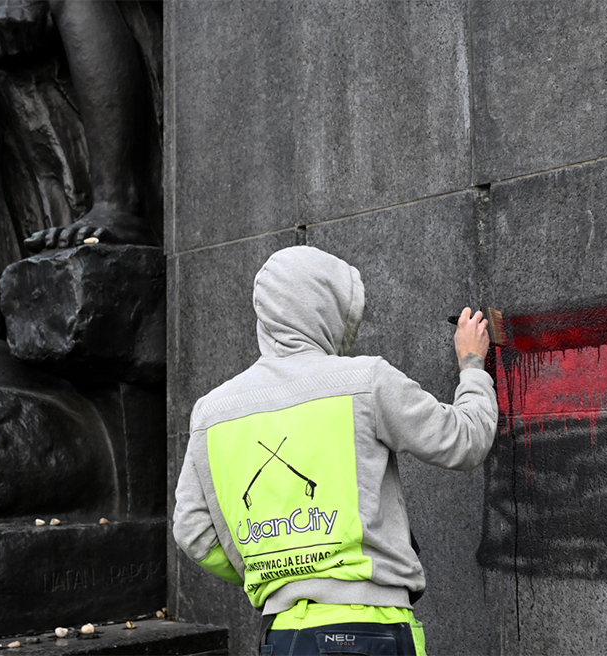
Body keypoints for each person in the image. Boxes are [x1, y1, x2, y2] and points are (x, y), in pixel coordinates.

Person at [173, 245, 497, 655]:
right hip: (369, 629)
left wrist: (278, 570)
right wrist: (472, 363)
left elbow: (191, 530)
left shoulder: (212, 412)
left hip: (281, 638)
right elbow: (465, 440)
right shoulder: (364, 381)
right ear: (328, 309)